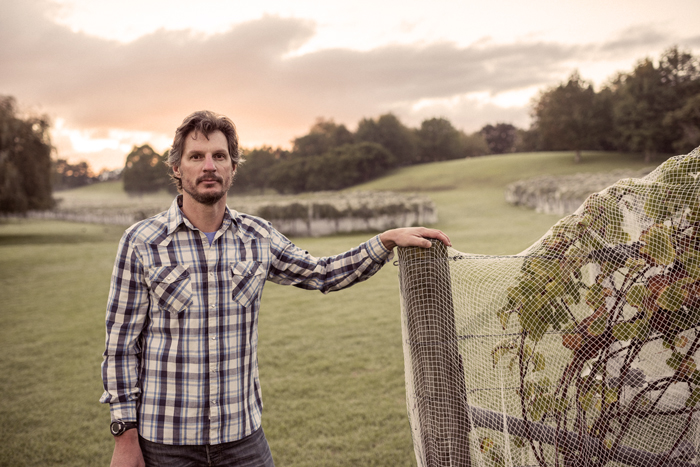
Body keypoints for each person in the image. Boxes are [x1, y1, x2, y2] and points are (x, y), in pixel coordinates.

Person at [101, 110, 450, 467]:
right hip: (165, 443)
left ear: (233, 167)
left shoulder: (258, 236)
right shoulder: (142, 241)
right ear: (177, 167)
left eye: (219, 156)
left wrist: (385, 241)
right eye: (196, 157)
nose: (209, 166)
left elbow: (322, 273)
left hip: (241, 440)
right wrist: (124, 437)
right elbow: (121, 348)